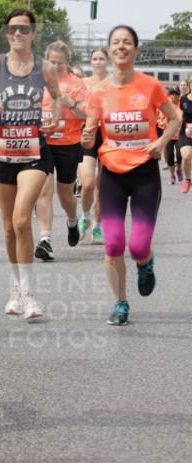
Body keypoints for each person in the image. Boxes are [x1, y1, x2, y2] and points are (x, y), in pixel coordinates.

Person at [82, 25, 179, 325]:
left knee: (137, 246)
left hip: (144, 173)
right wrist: (86, 138)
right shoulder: (98, 92)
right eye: (115, 42)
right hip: (111, 173)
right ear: (109, 50)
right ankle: (121, 303)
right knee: (112, 245)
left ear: (136, 50)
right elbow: (90, 133)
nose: (121, 47)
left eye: (127, 42)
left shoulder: (150, 86)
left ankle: (145, 263)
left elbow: (175, 119)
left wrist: (162, 142)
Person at [0, 8, 61, 321]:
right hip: (3, 152)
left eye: (23, 29)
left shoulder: (44, 68)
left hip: (35, 152)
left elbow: (58, 97)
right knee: (9, 227)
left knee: (22, 220)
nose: (17, 34)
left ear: (33, 33)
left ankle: (29, 293)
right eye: (12, 30)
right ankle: (16, 286)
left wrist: (55, 119)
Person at [34, 41, 88, 261]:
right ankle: (45, 240)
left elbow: (87, 115)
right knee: (43, 191)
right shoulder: (38, 80)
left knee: (65, 194)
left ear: (67, 62)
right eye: (51, 61)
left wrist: (72, 103)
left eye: (60, 62)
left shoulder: (76, 83)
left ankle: (72, 221)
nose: (55, 66)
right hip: (42, 143)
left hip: (68, 143)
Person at [78, 47, 109, 243]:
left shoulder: (113, 83)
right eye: (95, 58)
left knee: (102, 186)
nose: (98, 61)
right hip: (88, 134)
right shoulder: (83, 83)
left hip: (108, 136)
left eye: (101, 58)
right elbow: (75, 108)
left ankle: (98, 227)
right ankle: (85, 216)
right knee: (88, 182)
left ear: (107, 61)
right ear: (91, 62)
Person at [160, 87, 183, 185]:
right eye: (172, 94)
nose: (174, 96)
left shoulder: (182, 105)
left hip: (180, 135)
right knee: (170, 157)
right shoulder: (167, 105)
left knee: (179, 155)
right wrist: (164, 121)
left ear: (179, 95)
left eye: (176, 94)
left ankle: (178, 170)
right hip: (169, 134)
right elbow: (161, 120)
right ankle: (172, 175)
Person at [179, 80, 192, 193]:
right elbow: (179, 114)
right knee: (186, 156)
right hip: (186, 131)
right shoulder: (183, 99)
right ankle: (187, 180)